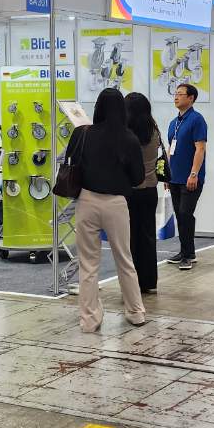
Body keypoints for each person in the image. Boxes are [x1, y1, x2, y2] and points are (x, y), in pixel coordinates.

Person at [69, 88, 148, 332]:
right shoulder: (129, 138)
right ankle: (136, 312)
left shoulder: (82, 133)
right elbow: (138, 178)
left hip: (86, 201)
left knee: (88, 264)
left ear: (98, 107)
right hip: (116, 204)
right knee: (124, 259)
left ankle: (89, 320)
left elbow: (71, 162)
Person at [166, 84, 207, 270]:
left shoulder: (197, 120)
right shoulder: (174, 123)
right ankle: (185, 252)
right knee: (179, 215)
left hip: (190, 178)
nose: (176, 97)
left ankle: (189, 254)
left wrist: (194, 173)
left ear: (191, 98)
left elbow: (200, 148)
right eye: (175, 94)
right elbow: (171, 149)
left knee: (185, 214)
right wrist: (167, 174)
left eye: (180, 94)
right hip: (175, 177)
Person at [125, 92, 162, 295]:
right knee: (148, 236)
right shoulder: (154, 130)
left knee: (129, 239)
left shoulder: (126, 134)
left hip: (129, 192)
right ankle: (149, 282)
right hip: (150, 189)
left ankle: (132, 283)